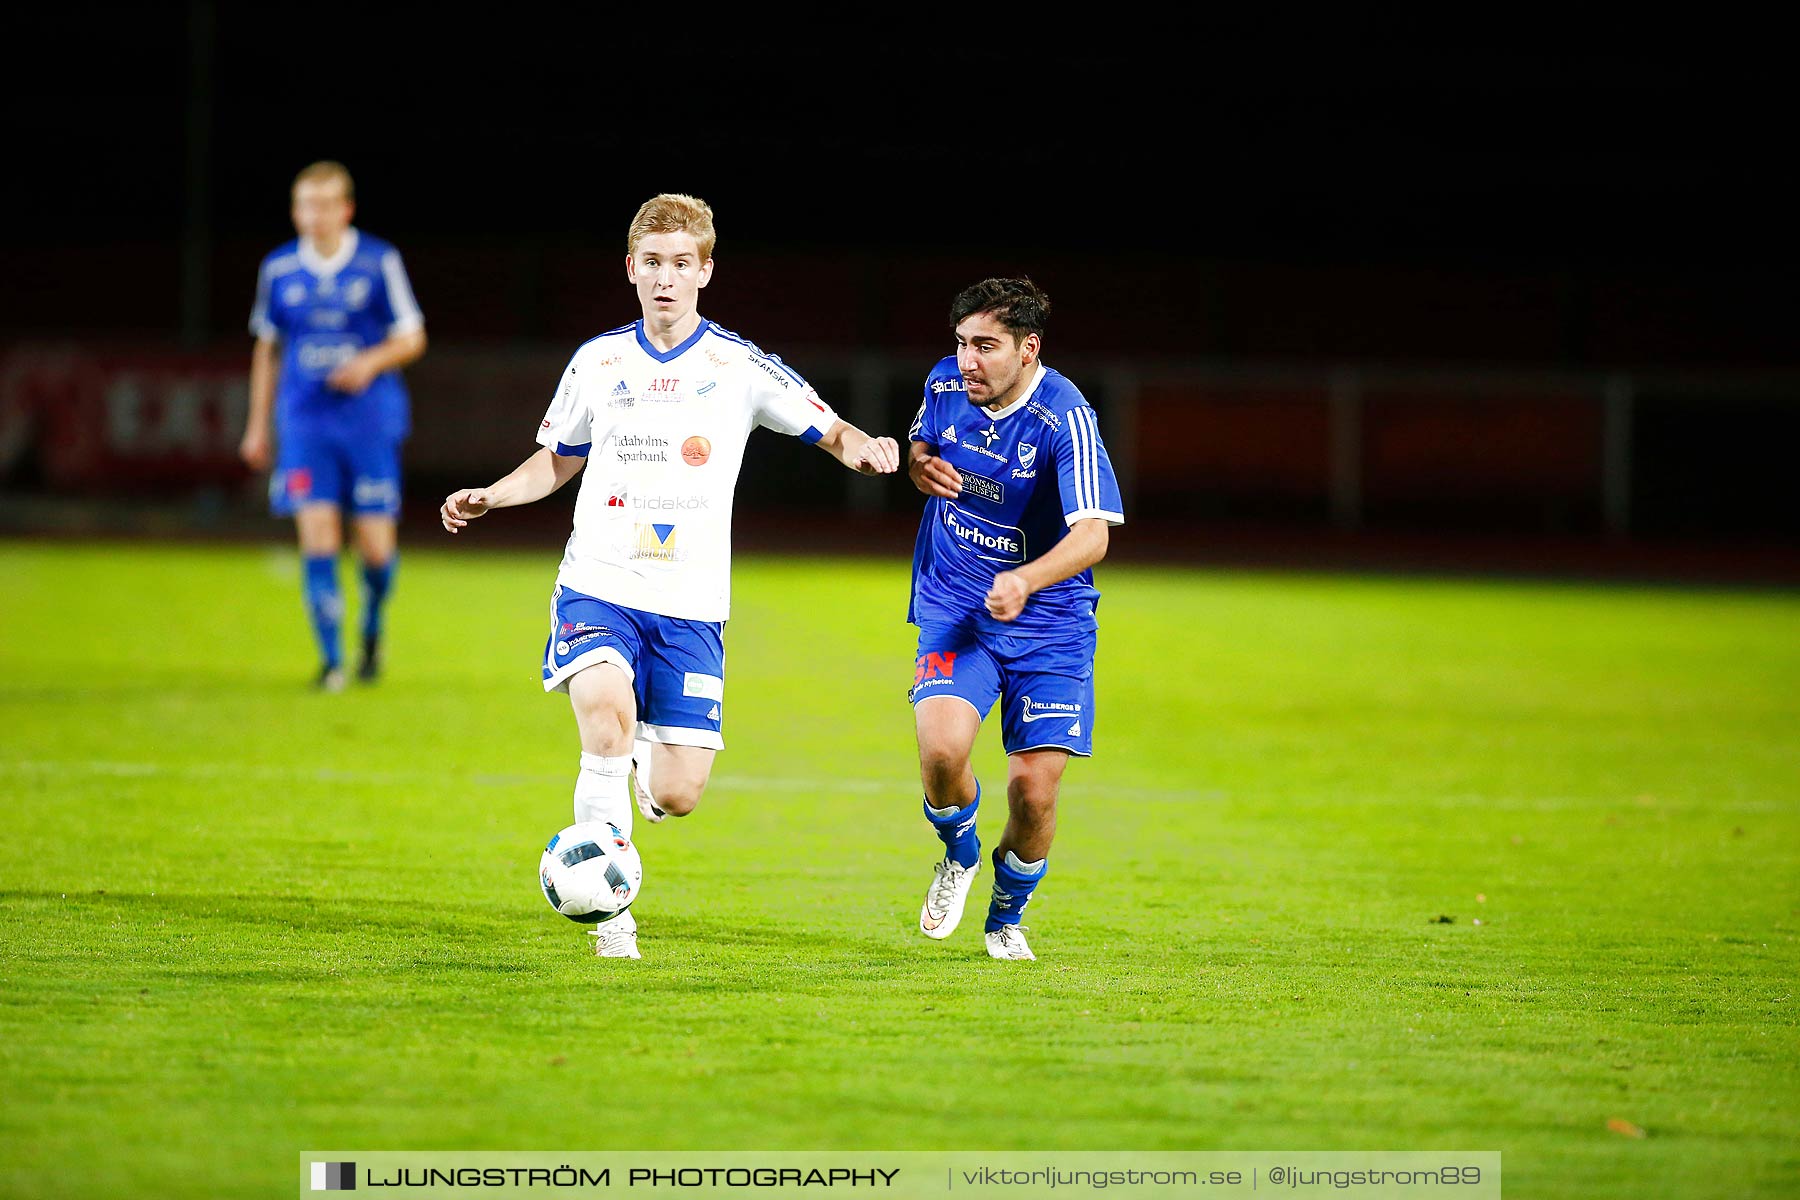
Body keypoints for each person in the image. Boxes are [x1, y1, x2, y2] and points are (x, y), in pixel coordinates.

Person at [439, 193, 899, 959]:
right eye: (652, 263)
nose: (665, 278)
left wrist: (866, 447)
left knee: (680, 792)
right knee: (606, 718)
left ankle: (642, 791)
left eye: (682, 264)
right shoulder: (599, 360)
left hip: (690, 606)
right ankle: (609, 909)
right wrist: (495, 493)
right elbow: (557, 457)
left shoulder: (737, 365)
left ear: (705, 272)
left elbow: (827, 424)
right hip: (600, 583)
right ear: (630, 268)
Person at [904, 277, 1124, 961]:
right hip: (957, 606)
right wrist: (920, 469)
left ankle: (1006, 917)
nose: (969, 360)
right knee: (942, 754)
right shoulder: (944, 385)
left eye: (987, 346)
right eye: (963, 343)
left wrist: (1027, 579)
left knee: (1032, 792)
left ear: (1029, 349)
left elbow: (1095, 534)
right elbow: (922, 448)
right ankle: (960, 854)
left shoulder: (1065, 418)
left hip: (1050, 623)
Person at [240, 161, 427, 691]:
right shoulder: (278, 270)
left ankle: (370, 632)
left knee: (375, 547)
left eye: (324, 206)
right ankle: (331, 664)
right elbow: (268, 349)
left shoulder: (377, 261)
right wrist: (258, 427)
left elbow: (413, 336)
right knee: (317, 537)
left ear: (345, 209)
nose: (313, 217)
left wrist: (369, 363)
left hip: (368, 421)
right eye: (304, 206)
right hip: (304, 421)